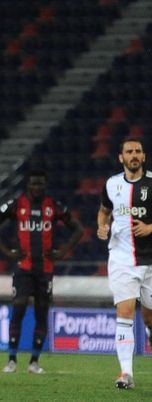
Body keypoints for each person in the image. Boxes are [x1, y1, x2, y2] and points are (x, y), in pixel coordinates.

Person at [0, 169, 83, 375]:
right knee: (18, 310)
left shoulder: (53, 206)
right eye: (33, 184)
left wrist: (63, 252)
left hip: (45, 270)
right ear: (27, 185)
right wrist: (6, 252)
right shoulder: (16, 205)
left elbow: (78, 229)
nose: (37, 187)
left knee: (42, 313)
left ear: (45, 186)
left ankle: (34, 362)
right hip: (23, 269)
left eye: (40, 184)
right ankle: (11, 360)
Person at [97, 137, 152, 389]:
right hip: (121, 259)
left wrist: (150, 227)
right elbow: (104, 210)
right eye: (128, 151)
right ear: (121, 157)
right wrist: (101, 226)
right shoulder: (111, 184)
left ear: (143, 156)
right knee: (125, 313)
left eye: (137, 151)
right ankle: (126, 374)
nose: (133, 155)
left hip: (150, 261)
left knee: (150, 318)